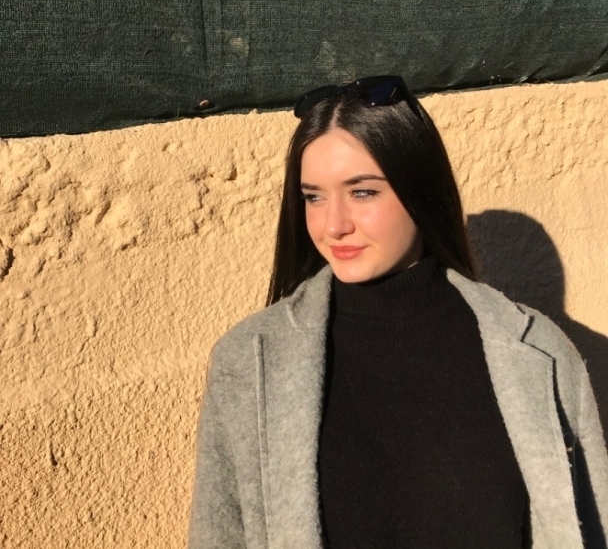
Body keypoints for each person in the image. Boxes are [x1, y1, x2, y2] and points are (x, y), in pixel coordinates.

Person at [187, 75, 608, 549]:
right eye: (313, 196)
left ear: (420, 189)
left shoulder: (540, 353)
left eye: (363, 192)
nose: (333, 225)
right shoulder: (248, 363)